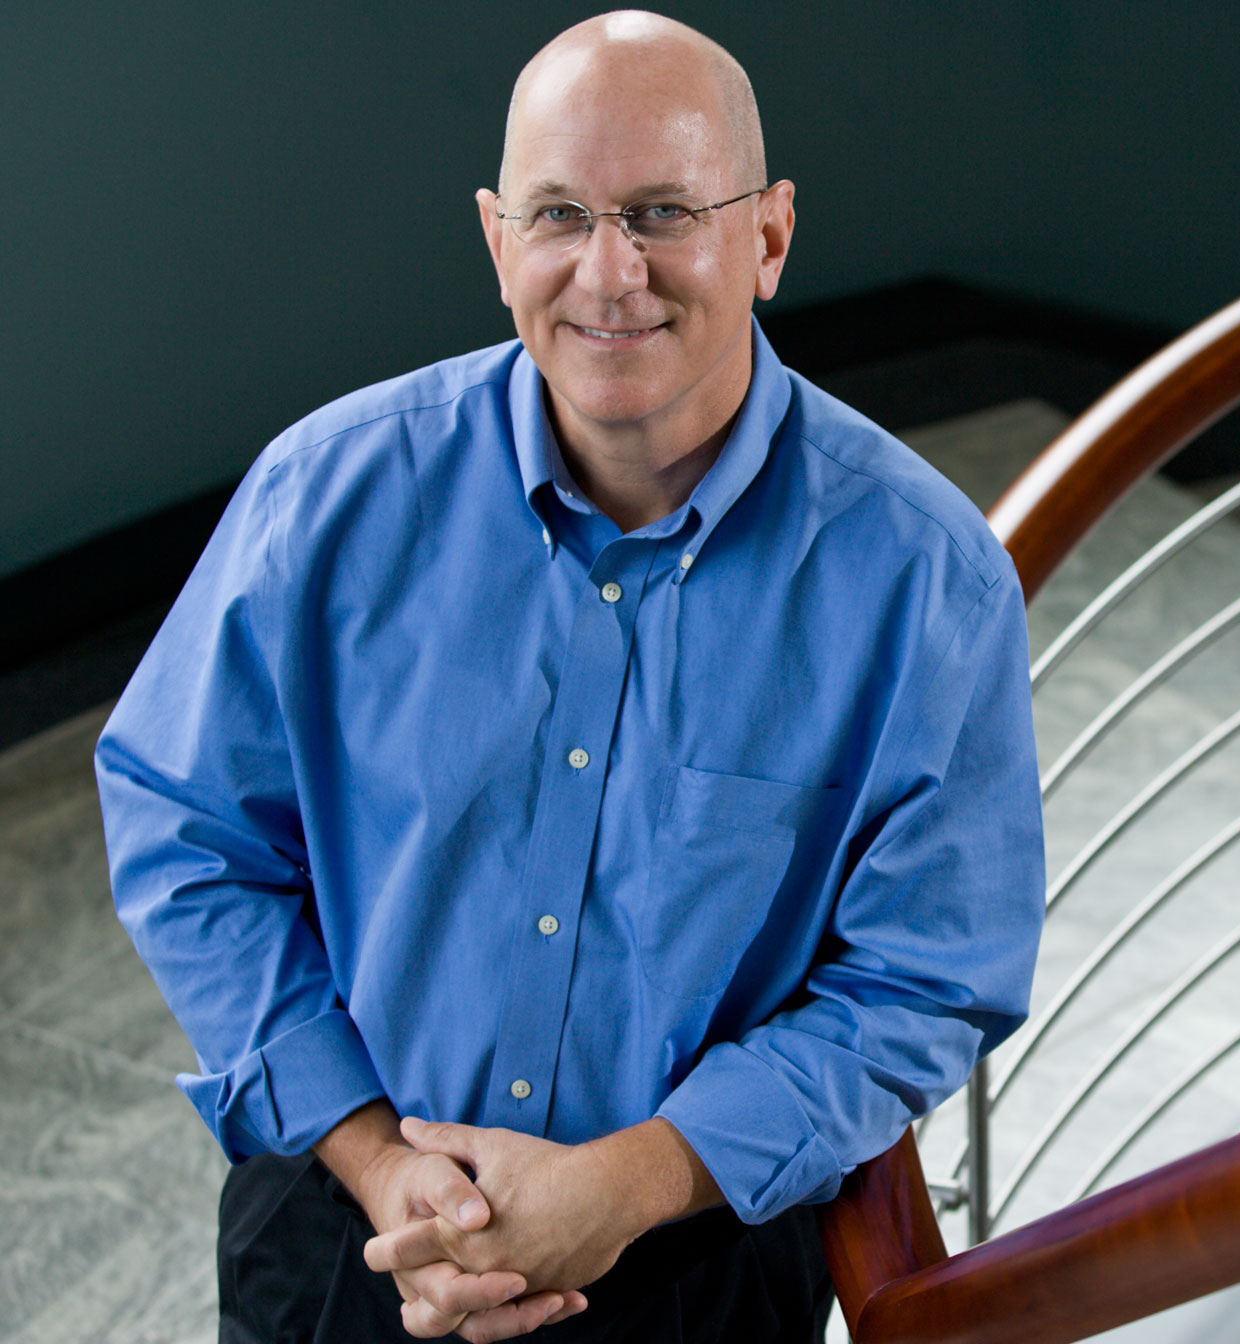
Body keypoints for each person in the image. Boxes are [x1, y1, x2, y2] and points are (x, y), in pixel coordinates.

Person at [95, 11, 1044, 1342]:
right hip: (342, 1231)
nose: (610, 273)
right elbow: (182, 829)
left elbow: (929, 973)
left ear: (767, 237)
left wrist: (631, 1180)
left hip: (689, 1264)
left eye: (662, 210)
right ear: (498, 243)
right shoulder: (323, 498)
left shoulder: (921, 576)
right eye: (559, 216)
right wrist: (381, 1162)